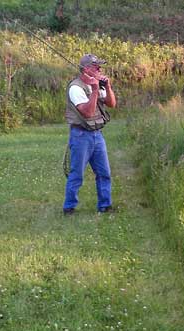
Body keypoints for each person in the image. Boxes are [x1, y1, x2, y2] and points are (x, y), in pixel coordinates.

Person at [63, 54, 117, 215]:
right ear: (86, 70)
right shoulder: (75, 88)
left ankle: (105, 205)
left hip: (97, 134)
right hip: (80, 136)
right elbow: (87, 112)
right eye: (96, 67)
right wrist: (94, 90)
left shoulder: (98, 85)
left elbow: (112, 104)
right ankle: (69, 207)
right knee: (77, 174)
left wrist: (107, 87)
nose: (100, 70)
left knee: (104, 173)